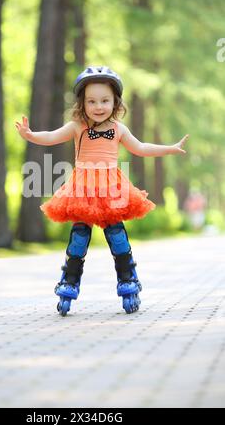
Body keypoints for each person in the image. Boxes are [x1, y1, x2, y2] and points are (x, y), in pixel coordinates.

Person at [15, 66, 189, 316]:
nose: (98, 106)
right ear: (82, 103)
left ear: (115, 102)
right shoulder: (77, 126)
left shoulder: (118, 128)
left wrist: (170, 148)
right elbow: (52, 137)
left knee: (117, 236)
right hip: (83, 189)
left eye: (105, 101)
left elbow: (140, 148)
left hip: (111, 189)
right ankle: (69, 281)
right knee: (79, 238)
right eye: (92, 101)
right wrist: (30, 135)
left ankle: (128, 279)